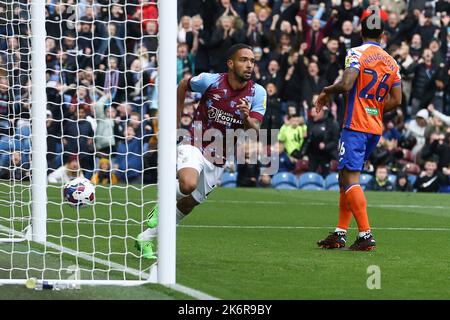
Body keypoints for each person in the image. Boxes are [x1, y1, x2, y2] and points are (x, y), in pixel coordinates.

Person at [135, 43, 267, 259]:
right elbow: (183, 85)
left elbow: (255, 129)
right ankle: (161, 205)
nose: (249, 65)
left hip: (221, 157)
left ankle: (145, 238)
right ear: (231, 63)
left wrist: (246, 118)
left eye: (252, 61)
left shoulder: (257, 92)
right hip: (195, 143)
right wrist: (175, 120)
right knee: (188, 184)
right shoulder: (210, 80)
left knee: (188, 204)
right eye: (244, 60)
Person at [314, 11, 402, 251]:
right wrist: (375, 108)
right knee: (345, 179)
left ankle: (365, 234)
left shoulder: (355, 53)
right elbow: (397, 99)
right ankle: (340, 233)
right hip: (374, 127)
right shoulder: (392, 62)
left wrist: (326, 90)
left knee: (350, 178)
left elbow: (346, 84)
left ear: (361, 32)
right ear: (383, 35)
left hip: (355, 125)